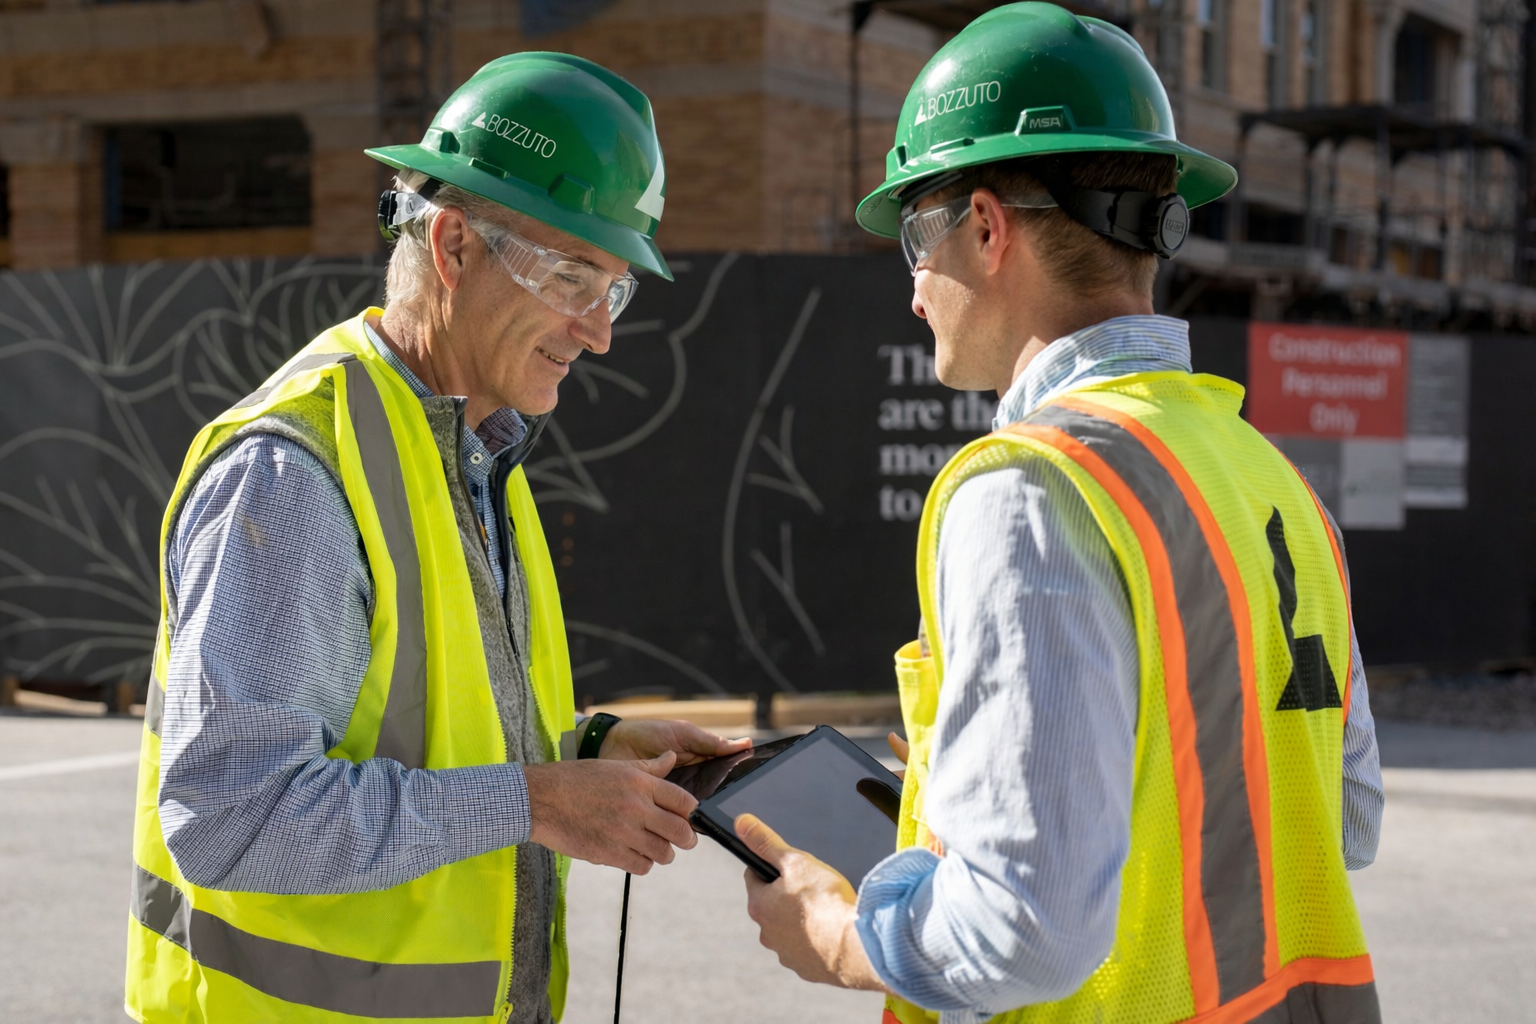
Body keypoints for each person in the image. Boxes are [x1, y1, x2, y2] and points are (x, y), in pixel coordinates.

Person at [734, 5, 1385, 1023]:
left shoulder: (1029, 488)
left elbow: (1025, 932)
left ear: (989, 228)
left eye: (917, 234)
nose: (912, 289)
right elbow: (1340, 820)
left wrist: (844, 935)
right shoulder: (1272, 479)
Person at [125, 53, 748, 1024]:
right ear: (453, 245)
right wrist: (533, 801)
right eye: (573, 274)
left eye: (614, 289)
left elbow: (427, 731)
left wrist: (590, 748)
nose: (598, 332)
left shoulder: (469, 445)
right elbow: (231, 817)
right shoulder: (296, 473)